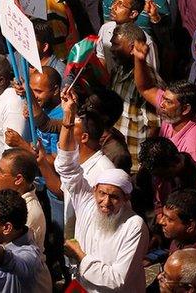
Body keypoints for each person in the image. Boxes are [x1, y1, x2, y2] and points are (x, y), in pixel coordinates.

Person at [55, 88, 149, 292]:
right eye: (102, 194)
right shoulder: (88, 203)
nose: (106, 202)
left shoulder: (133, 226)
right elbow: (65, 166)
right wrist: (68, 115)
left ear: (125, 198)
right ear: (94, 190)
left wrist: (80, 255)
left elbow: (117, 279)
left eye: (114, 197)